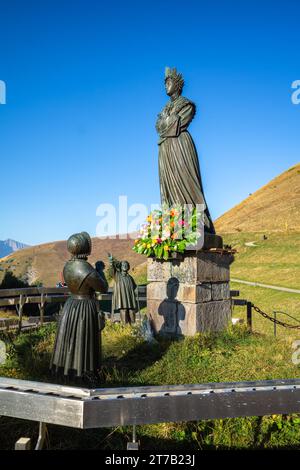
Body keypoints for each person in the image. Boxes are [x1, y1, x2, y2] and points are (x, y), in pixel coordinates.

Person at [156, 67, 215, 234]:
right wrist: (167, 121)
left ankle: (196, 221)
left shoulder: (186, 104)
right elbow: (159, 128)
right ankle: (174, 222)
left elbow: (176, 125)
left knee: (186, 181)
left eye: (169, 82)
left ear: (177, 84)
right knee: (169, 185)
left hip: (180, 145)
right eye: (164, 82)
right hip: (165, 148)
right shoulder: (164, 108)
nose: (166, 85)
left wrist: (166, 121)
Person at [50, 232, 107, 382]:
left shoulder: (67, 265)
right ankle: (86, 373)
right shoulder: (86, 268)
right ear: (84, 247)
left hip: (71, 305)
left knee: (69, 339)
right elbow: (103, 287)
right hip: (85, 306)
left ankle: (66, 371)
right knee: (84, 338)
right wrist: (100, 270)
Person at [108, 253, 137, 324]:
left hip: (130, 297)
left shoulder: (130, 277)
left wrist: (136, 290)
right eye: (123, 265)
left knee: (131, 310)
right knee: (123, 310)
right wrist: (111, 262)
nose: (125, 266)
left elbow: (134, 286)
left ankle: (133, 325)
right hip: (122, 296)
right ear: (120, 267)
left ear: (128, 267)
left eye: (126, 265)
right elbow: (112, 271)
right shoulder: (117, 275)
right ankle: (125, 325)